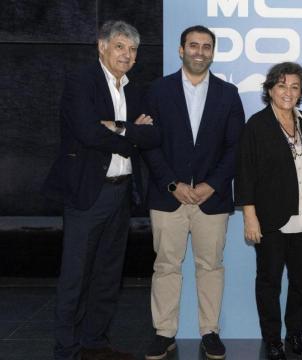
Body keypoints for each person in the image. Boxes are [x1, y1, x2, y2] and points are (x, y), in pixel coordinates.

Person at [43, 20, 158, 360]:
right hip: (87, 193)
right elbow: (87, 133)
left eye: (133, 49)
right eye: (121, 46)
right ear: (102, 46)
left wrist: (115, 127)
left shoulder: (135, 89)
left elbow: (152, 135)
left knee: (108, 274)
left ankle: (95, 343)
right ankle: (66, 349)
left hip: (122, 194)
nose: (127, 54)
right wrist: (129, 133)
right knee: (75, 276)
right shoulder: (82, 81)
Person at [141, 25, 245, 360]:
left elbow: (236, 147)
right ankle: (164, 333)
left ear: (213, 52)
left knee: (210, 265)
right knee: (166, 265)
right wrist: (173, 184)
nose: (199, 51)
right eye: (193, 45)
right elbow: (149, 143)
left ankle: (209, 331)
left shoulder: (228, 94)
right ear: (181, 49)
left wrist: (210, 184)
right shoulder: (157, 90)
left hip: (210, 199)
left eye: (206, 46)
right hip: (167, 196)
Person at [235, 61, 302, 360]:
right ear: (270, 89)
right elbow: (245, 173)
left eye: (294, 86)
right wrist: (250, 216)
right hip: (271, 220)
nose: (288, 92)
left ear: (301, 91)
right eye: (281, 86)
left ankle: (295, 335)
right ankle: (272, 339)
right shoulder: (257, 125)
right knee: (269, 282)